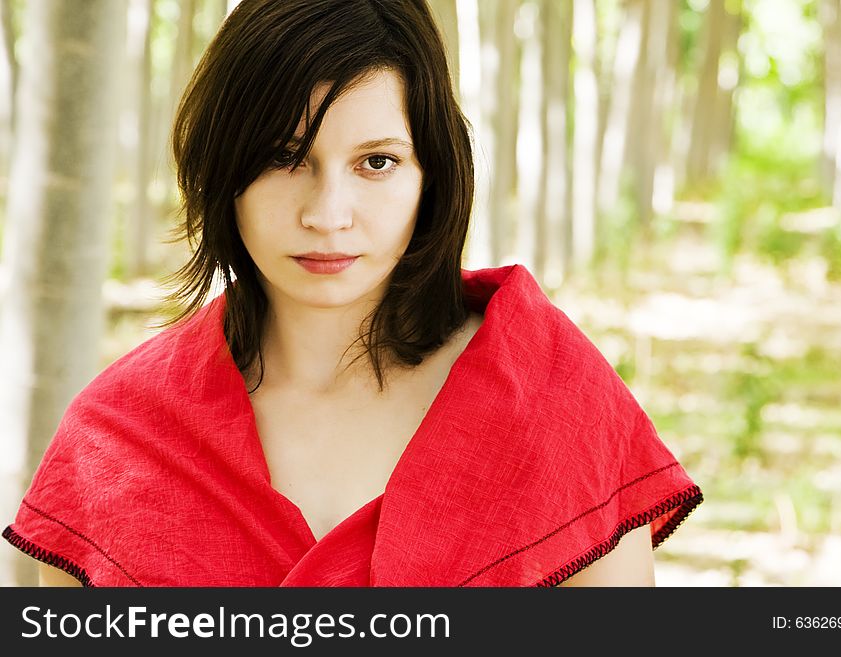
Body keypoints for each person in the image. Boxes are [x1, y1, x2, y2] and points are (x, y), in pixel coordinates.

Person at [4, 0, 702, 587]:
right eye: (285, 158)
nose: (327, 213)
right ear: (223, 169)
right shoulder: (115, 441)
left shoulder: (554, 400)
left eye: (376, 162)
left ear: (432, 172)